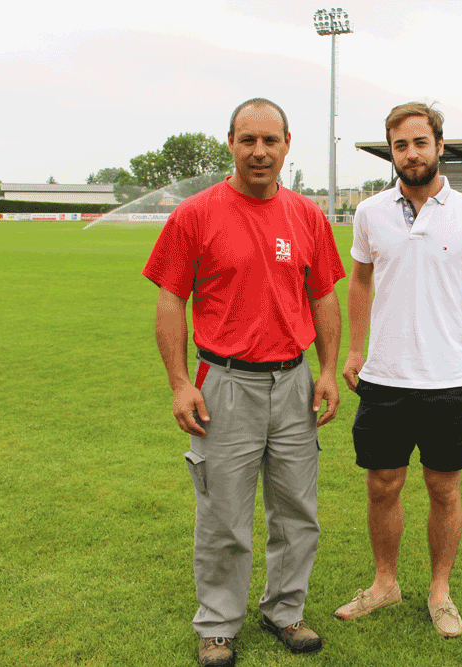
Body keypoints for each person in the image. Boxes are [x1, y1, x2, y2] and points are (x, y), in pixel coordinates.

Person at [142, 98, 345, 667]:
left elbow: (325, 296)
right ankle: (217, 626)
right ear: (229, 142)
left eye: (271, 141)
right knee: (223, 515)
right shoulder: (196, 214)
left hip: (294, 383)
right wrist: (180, 382)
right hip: (224, 384)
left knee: (296, 512)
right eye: (248, 140)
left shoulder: (306, 215)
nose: (260, 152)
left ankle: (285, 610)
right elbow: (169, 301)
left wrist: (326, 371)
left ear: (287, 144)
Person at [334, 102, 462, 638]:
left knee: (443, 489)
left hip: (448, 379)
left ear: (437, 145)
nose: (410, 153)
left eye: (420, 142)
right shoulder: (369, 213)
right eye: (400, 145)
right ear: (392, 152)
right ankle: (385, 583)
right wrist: (355, 351)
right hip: (383, 378)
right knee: (382, 485)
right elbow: (360, 282)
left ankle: (439, 591)